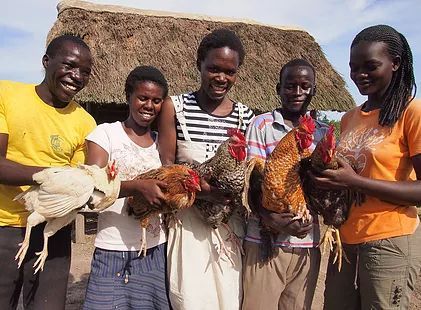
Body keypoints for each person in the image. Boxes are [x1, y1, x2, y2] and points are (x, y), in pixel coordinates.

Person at [314, 25, 421, 309]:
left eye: (370, 66)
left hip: (390, 239)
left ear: (395, 64)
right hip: (344, 241)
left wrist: (355, 182)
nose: (360, 74)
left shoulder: (412, 112)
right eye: (354, 67)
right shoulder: (350, 118)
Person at [158, 28, 254, 310]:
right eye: (213, 68)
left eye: (230, 71)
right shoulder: (174, 107)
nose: (221, 78)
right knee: (189, 298)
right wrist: (203, 192)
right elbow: (166, 167)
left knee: (228, 297)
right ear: (199, 63)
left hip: (229, 224)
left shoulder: (245, 115)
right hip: (188, 220)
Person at [0, 35, 96, 309]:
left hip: (52, 231)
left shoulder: (85, 122)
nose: (76, 76)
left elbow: (78, 180)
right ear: (46, 61)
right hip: (4, 226)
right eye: (69, 65)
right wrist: (54, 175)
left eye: (85, 72)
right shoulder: (6, 95)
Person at [83, 66, 171, 309]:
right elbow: (92, 189)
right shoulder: (106, 134)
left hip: (155, 248)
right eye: (142, 98)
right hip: (112, 248)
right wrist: (136, 187)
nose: (149, 106)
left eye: (156, 100)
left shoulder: (161, 144)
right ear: (128, 96)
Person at [242, 59, 328, 310]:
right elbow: (250, 183)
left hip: (306, 244)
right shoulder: (262, 125)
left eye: (304, 86)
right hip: (264, 241)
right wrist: (270, 217)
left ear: (314, 90)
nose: (297, 92)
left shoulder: (322, 132)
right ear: (279, 88)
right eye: (290, 86)